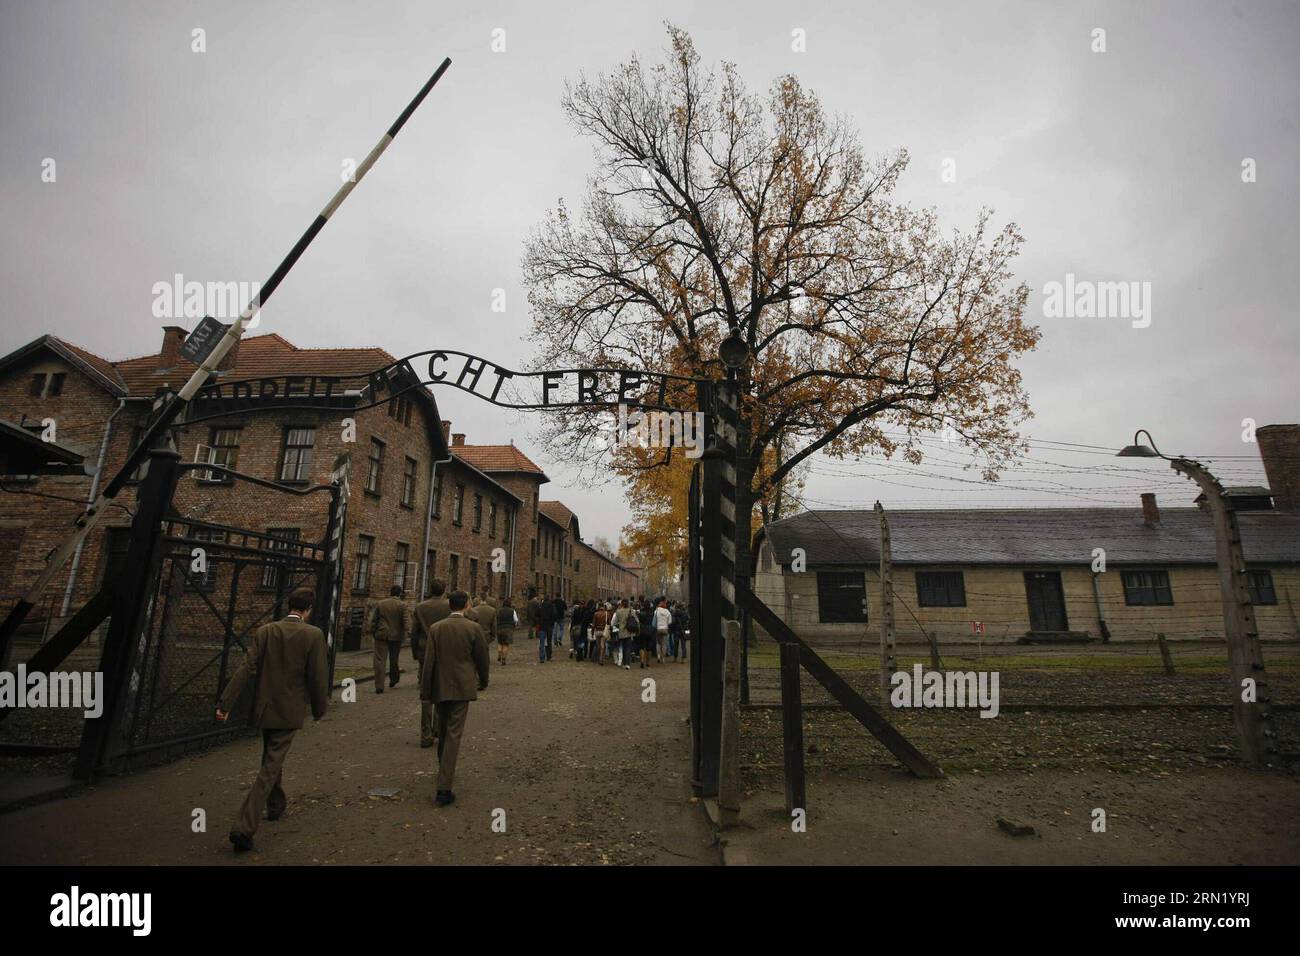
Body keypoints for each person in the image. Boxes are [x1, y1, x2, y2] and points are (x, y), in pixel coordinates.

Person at [217, 587, 328, 853]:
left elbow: (246, 667)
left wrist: (225, 703)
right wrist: (319, 708)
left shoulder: (266, 631)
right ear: (308, 609)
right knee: (269, 765)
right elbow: (317, 676)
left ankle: (276, 805)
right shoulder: (313, 635)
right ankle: (243, 827)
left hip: (264, 708)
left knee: (271, 756)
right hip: (289, 710)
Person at [420, 590, 490, 806]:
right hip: (462, 686)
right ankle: (444, 788)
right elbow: (482, 658)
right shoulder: (473, 628)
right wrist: (483, 681)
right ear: (467, 605)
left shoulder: (436, 628)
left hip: (440, 685)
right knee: (453, 734)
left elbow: (429, 661)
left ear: (450, 605)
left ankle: (444, 768)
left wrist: (426, 690)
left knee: (442, 729)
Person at [413, 580, 451, 748]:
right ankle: (437, 728)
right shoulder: (449, 607)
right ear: (444, 590)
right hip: (445, 651)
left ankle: (426, 734)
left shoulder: (420, 607)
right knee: (441, 691)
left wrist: (415, 652)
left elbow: (414, 632)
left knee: (426, 693)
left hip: (424, 650)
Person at [369, 585, 412, 692]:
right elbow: (406, 621)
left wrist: (373, 631)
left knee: (379, 660)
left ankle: (379, 686)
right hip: (396, 635)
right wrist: (409, 633)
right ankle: (394, 678)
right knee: (394, 659)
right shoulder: (403, 605)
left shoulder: (381, 603)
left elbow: (374, 619)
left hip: (382, 634)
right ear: (400, 594)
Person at [495, 598, 517, 665]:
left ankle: (499, 652)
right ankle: (504, 658)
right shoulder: (512, 611)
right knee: (506, 644)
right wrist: (513, 625)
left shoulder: (499, 611)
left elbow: (496, 619)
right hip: (509, 629)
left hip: (500, 628)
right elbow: (516, 620)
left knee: (500, 642)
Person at [653, 598, 672, 664]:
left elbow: (654, 620)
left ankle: (658, 656)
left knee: (658, 643)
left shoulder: (656, 610)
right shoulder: (667, 612)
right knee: (664, 644)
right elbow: (670, 622)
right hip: (665, 629)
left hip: (658, 629)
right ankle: (663, 658)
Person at [539, 592, 557, 662]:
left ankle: (542, 657)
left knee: (542, 642)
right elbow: (554, 615)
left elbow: (537, 614)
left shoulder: (541, 606)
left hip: (542, 625)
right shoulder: (552, 606)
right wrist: (552, 623)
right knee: (549, 641)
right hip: (549, 626)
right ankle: (549, 656)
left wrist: (539, 621)